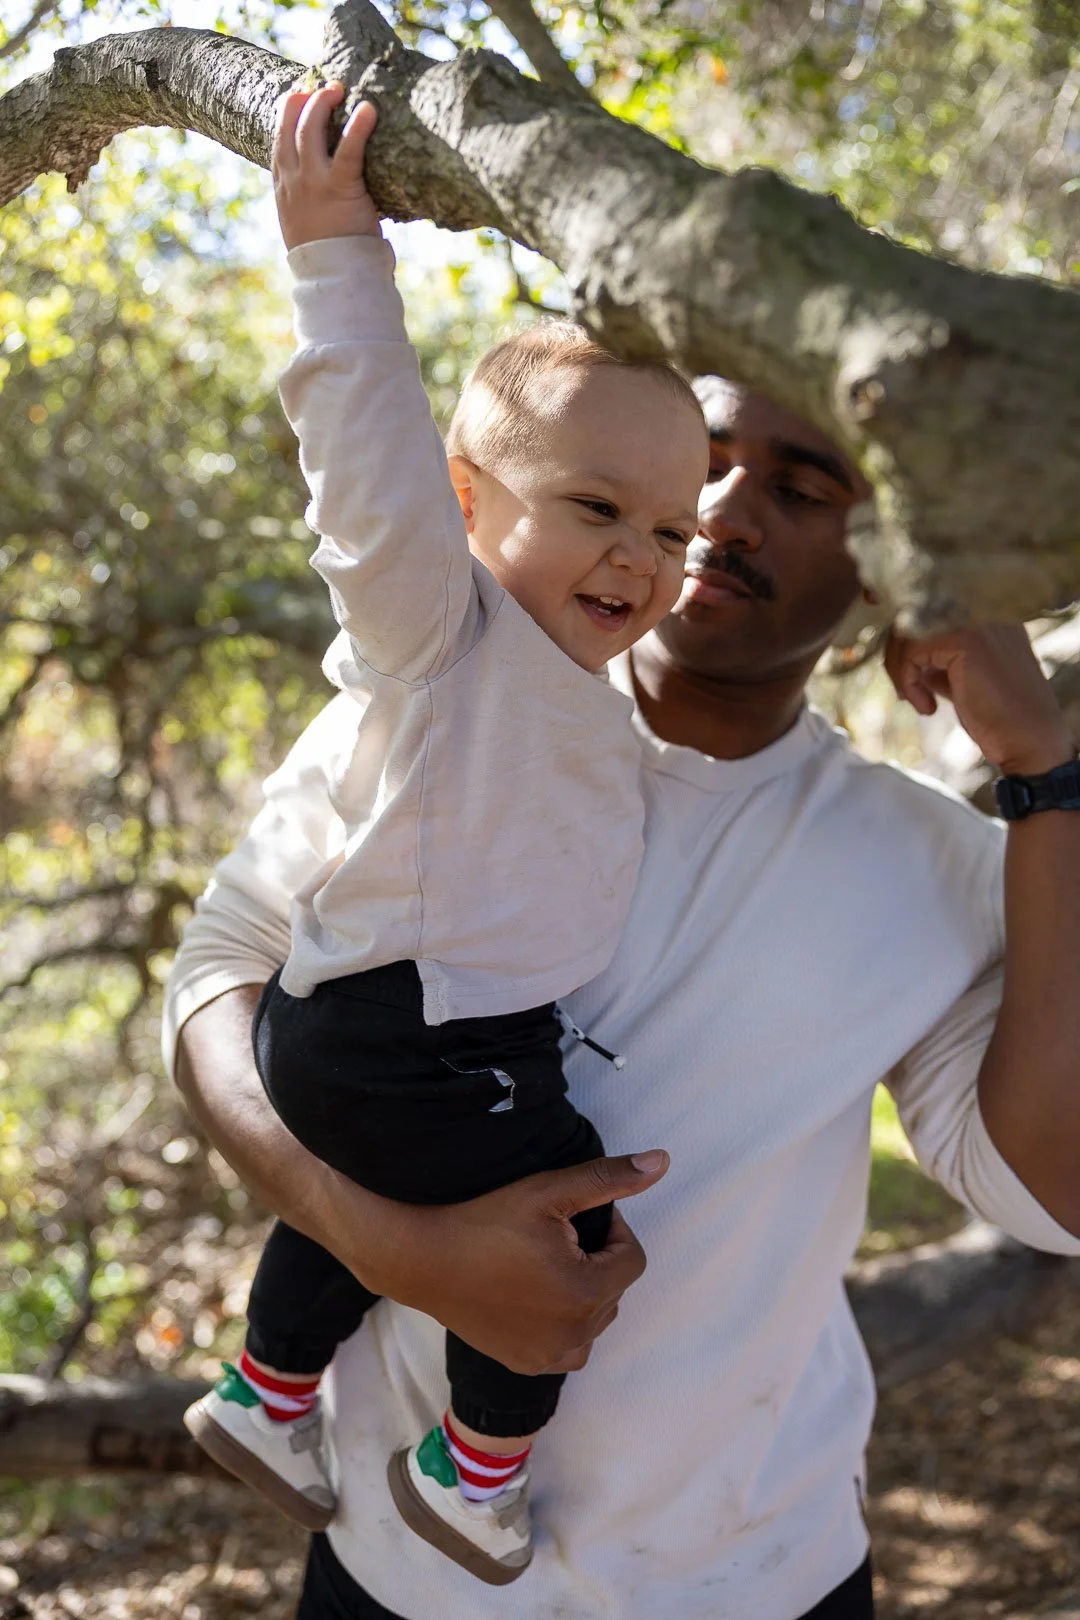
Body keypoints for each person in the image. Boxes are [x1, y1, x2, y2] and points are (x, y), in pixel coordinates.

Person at [166, 368, 1080, 1615]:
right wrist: (392, 1246)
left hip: (758, 1575)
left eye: (803, 487)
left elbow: (1050, 1192)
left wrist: (1048, 776)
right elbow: (216, 986)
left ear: (890, 573)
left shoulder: (936, 868)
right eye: (701, 462)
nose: (723, 512)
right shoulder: (437, 707)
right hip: (399, 1567)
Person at [180, 81, 708, 1587]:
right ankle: (473, 1476)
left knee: (403, 1192)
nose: (641, 554)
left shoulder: (580, 699)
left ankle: (270, 1396)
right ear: (473, 507)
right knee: (567, 1229)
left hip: (400, 1039)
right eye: (598, 505)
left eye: (674, 530)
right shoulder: (445, 635)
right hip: (404, 1030)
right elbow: (371, 492)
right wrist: (338, 254)